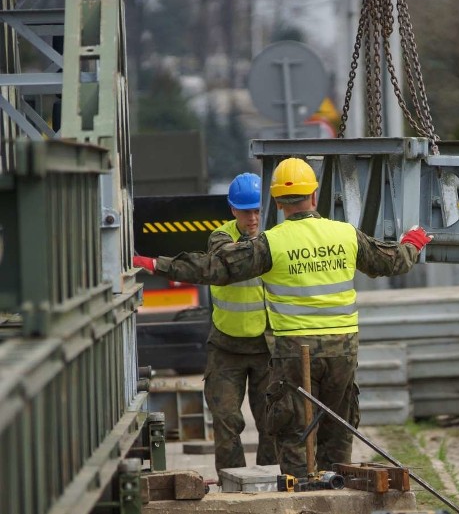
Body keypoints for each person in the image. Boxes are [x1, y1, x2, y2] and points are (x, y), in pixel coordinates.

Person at [133, 157, 431, 478]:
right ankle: (338, 490)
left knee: (294, 429)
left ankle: (300, 490)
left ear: (274, 201)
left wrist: (154, 264)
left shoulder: (272, 243)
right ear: (314, 196)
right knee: (339, 425)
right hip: (342, 349)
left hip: (295, 352)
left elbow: (215, 267)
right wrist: (413, 242)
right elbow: (392, 263)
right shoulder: (345, 234)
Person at [205, 173, 276, 478]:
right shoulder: (220, 238)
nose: (253, 217)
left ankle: (272, 482)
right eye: (246, 211)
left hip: (267, 347)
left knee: (273, 420)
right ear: (232, 210)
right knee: (226, 420)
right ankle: (233, 486)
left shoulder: (276, 236)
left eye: (258, 210)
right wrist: (255, 242)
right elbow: (229, 259)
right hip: (227, 346)